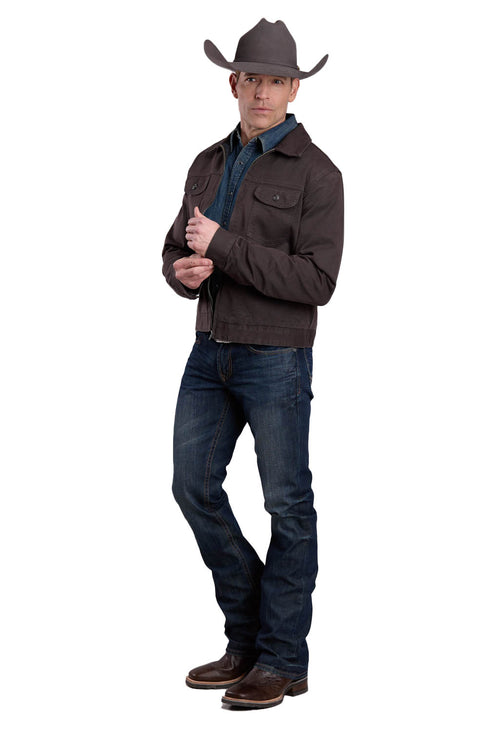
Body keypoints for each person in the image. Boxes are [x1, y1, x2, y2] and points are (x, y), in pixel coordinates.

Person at [162, 18, 344, 710]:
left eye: (276, 80)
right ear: (233, 83)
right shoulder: (207, 162)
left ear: (294, 89)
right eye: (251, 79)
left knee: (286, 504)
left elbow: (318, 281)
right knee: (192, 487)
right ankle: (248, 641)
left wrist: (225, 248)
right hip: (209, 350)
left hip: (277, 357)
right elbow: (175, 245)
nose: (262, 92)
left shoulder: (320, 174)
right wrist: (181, 271)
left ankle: (283, 657)